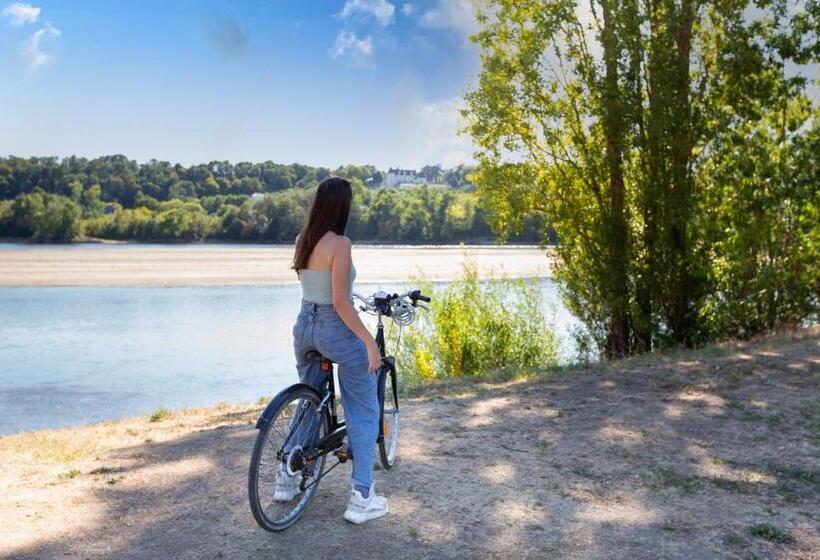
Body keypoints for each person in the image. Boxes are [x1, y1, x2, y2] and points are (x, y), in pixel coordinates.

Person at [276, 176, 388, 525]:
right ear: (343, 206)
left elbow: (317, 290)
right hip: (330, 328)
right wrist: (369, 342)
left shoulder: (303, 241)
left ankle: (286, 477)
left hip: (303, 326)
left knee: (310, 400)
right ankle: (361, 498)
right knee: (364, 406)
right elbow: (339, 302)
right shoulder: (340, 243)